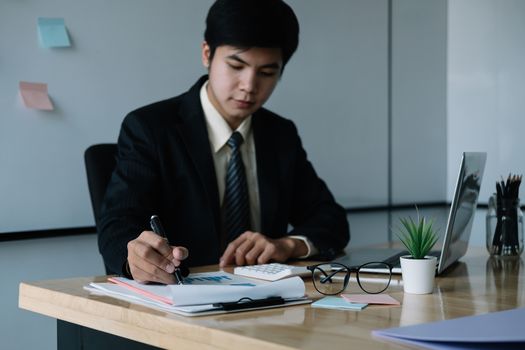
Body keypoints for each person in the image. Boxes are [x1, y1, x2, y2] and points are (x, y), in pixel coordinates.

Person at [98, 0, 350, 284]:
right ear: (207, 54)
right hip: (180, 298)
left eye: (267, 73)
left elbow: (331, 218)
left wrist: (287, 244)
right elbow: (117, 225)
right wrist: (135, 257)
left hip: (264, 301)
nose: (249, 85)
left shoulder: (280, 134)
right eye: (236, 65)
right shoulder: (150, 128)